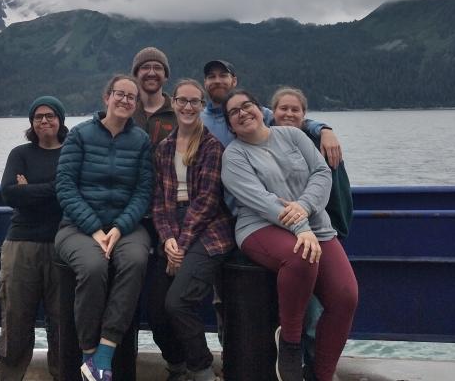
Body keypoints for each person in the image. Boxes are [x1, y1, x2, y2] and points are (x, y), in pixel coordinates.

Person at [220, 89, 358, 381]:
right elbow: (262, 201)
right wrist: (301, 228)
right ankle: (290, 343)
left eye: (247, 106)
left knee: (345, 297)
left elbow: (321, 173)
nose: (243, 113)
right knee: (301, 258)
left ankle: (321, 375)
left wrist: (304, 209)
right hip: (259, 227)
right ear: (230, 125)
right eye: (234, 112)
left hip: (314, 225)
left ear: (261, 111)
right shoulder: (233, 156)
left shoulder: (293, 137)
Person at [54, 74, 154, 381]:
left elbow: (143, 191)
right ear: (106, 97)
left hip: (126, 227)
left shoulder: (141, 140)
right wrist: (95, 228)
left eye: (131, 97)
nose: (124, 100)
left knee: (136, 260)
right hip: (77, 227)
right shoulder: (81, 135)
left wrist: (121, 227)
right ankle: (87, 354)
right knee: (94, 266)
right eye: (119, 94)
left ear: (136, 104)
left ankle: (105, 352)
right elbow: (65, 186)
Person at [147, 79, 234, 381]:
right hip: (171, 228)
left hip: (208, 231)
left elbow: (208, 201)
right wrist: (168, 238)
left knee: (178, 302)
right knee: (156, 309)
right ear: (173, 103)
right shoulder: (162, 149)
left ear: (200, 106)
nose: (187, 106)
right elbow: (158, 201)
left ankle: (201, 369)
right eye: (182, 100)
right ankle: (176, 364)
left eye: (194, 102)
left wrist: (180, 245)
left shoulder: (211, 146)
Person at [271, 87, 354, 381]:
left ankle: (319, 373)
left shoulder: (320, 143)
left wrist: (338, 231)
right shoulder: (261, 141)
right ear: (273, 112)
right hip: (278, 238)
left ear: (305, 116)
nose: (289, 114)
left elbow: (339, 191)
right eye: (283, 109)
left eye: (295, 110)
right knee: (296, 313)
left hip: (318, 236)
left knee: (322, 311)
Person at [0, 96, 68, 381]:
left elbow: (69, 192)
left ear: (60, 120)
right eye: (38, 117)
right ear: (31, 123)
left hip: (62, 244)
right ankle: (10, 376)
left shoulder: (71, 152)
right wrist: (53, 189)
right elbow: (9, 193)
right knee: (15, 318)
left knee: (62, 320)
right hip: (21, 244)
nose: (44, 121)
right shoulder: (20, 153)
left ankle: (63, 374)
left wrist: (30, 190)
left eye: (50, 115)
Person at [200, 60, 343, 169]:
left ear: (234, 81)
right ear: (205, 82)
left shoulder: (254, 114)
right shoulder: (198, 120)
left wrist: (324, 130)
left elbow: (290, 119)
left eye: (223, 76)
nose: (217, 81)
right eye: (211, 77)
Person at [131, 47, 176, 145]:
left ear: (165, 76)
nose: (151, 73)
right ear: (136, 75)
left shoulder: (178, 112)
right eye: (145, 67)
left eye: (158, 68)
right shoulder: (126, 110)